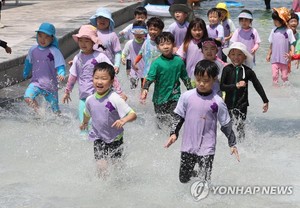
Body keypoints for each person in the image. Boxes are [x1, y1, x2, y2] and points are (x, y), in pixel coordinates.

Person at [164, 59, 240, 184]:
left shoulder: (218, 101)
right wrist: (174, 133)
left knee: (204, 181)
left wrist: (232, 144)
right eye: (198, 80)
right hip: (188, 145)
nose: (201, 84)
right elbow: (179, 116)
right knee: (183, 179)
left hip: (207, 147)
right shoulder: (187, 96)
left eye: (206, 81)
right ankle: (194, 175)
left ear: (214, 79)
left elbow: (226, 124)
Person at [80, 62, 137, 177]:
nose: (99, 81)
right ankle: (102, 187)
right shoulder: (90, 100)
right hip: (98, 137)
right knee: (101, 167)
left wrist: (123, 120)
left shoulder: (114, 98)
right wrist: (84, 123)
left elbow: (133, 114)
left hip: (115, 138)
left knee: (118, 167)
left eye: (104, 79)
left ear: (111, 81)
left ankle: (120, 184)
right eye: (96, 78)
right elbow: (87, 113)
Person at [62, 24, 126, 124]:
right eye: (81, 41)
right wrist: (67, 91)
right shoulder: (77, 58)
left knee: (100, 123)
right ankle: (84, 138)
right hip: (84, 98)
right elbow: (72, 76)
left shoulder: (100, 57)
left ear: (93, 42)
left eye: (87, 41)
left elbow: (112, 74)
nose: (83, 44)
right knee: (83, 123)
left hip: (100, 97)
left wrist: (119, 92)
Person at [140, 32, 192, 127]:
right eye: (162, 44)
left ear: (173, 44)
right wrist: (145, 89)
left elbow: (185, 77)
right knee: (161, 124)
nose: (165, 46)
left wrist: (192, 92)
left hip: (175, 96)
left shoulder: (179, 61)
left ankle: (175, 136)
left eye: (168, 43)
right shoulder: (156, 63)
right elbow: (150, 77)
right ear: (158, 47)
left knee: (175, 121)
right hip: (159, 99)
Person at [221, 42, 269, 139]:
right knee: (228, 126)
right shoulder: (227, 69)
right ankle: (230, 146)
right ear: (229, 56)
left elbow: (257, 85)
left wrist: (265, 100)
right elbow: (222, 87)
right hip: (228, 104)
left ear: (245, 57)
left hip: (242, 104)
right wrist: (235, 86)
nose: (236, 57)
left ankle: (242, 145)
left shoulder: (248, 71)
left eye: (239, 54)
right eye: (233, 54)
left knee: (240, 128)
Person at [23, 22, 66, 114]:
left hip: (50, 85)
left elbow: (60, 65)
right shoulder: (33, 50)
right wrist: (25, 72)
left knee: (55, 111)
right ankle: (39, 112)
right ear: (37, 36)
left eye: (47, 37)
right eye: (40, 36)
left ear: (52, 38)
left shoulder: (54, 51)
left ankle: (60, 124)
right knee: (27, 97)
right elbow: (28, 62)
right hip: (36, 83)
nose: (43, 39)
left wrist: (61, 73)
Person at [266, 7, 295, 87]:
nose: (274, 22)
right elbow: (271, 44)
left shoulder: (288, 31)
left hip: (284, 58)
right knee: (274, 76)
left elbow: (292, 43)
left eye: (276, 20)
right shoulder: (273, 30)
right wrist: (269, 54)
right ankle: (276, 89)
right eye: (273, 20)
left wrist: (292, 53)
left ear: (282, 21)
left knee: (284, 77)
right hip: (275, 58)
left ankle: (286, 89)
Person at [176, 17, 208, 84]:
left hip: (204, 75)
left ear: (204, 30)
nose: (197, 32)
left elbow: (213, 58)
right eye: (194, 30)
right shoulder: (186, 43)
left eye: (199, 30)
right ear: (189, 31)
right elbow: (180, 58)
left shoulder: (207, 43)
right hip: (189, 75)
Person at [90, 8, 122, 74]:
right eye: (100, 17)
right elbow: (84, 48)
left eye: (105, 18)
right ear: (96, 20)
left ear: (110, 21)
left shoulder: (112, 35)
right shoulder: (92, 33)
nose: (102, 20)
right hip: (93, 65)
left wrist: (117, 65)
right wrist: (78, 59)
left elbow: (118, 52)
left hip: (108, 66)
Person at [121, 21, 147, 90]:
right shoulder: (129, 43)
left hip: (144, 68)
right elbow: (124, 52)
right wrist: (123, 57)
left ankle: (141, 99)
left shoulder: (147, 43)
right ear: (132, 32)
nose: (139, 35)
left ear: (145, 33)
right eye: (136, 32)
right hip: (132, 68)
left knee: (143, 87)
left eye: (141, 32)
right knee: (133, 85)